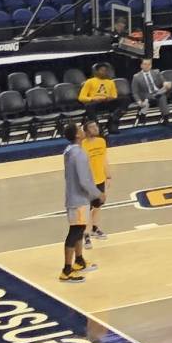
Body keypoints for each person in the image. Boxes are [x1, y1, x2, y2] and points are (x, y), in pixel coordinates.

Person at [58, 120, 98, 281]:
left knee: (79, 230)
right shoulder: (79, 154)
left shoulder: (69, 150)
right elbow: (84, 180)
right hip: (79, 198)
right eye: (80, 129)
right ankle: (66, 271)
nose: (83, 130)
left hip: (74, 196)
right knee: (75, 232)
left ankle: (79, 261)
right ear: (77, 135)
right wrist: (97, 194)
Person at [79, 116, 111, 256]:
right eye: (92, 127)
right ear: (86, 131)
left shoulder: (101, 141)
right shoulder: (82, 145)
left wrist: (108, 175)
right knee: (88, 209)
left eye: (96, 126)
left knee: (98, 206)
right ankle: (86, 235)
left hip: (100, 180)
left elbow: (104, 159)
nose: (95, 128)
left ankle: (95, 228)